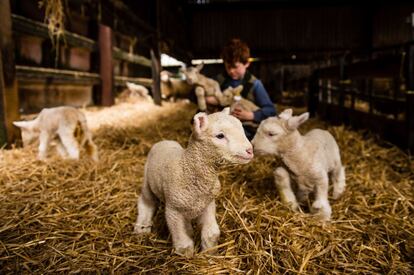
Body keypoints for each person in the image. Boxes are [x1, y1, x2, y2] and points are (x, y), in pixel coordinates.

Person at [205, 38, 277, 140]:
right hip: (221, 125)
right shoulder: (219, 81)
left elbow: (270, 110)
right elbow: (197, 95)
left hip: (244, 127)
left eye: (235, 67)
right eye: (228, 67)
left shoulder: (255, 84)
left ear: (247, 63)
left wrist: (251, 115)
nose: (231, 71)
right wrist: (211, 100)